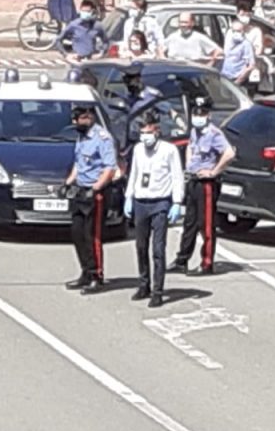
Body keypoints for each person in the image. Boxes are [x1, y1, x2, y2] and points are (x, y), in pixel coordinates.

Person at [170, 96, 235, 276]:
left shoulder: (214, 134)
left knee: (205, 224)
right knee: (189, 223)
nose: (198, 116)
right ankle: (182, 259)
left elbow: (229, 154)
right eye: (196, 113)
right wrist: (188, 165)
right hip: (193, 180)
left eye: (202, 113)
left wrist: (214, 171)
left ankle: (207, 263)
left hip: (206, 184)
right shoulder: (195, 131)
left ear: (208, 114)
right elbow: (191, 147)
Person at [125, 110, 184, 308]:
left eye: (148, 131)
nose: (145, 136)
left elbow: (177, 176)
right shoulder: (138, 150)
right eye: (142, 131)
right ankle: (144, 284)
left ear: (156, 130)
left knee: (158, 249)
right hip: (141, 202)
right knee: (141, 246)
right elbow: (134, 173)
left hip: (160, 202)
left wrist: (176, 202)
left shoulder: (169, 150)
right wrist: (129, 197)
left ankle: (158, 291)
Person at [62, 104, 118, 293]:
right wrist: (68, 182)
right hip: (81, 190)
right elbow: (80, 163)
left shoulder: (102, 138)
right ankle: (85, 272)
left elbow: (109, 168)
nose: (74, 123)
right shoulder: (82, 137)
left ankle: (97, 275)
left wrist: (95, 188)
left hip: (96, 192)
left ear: (87, 118)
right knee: (77, 233)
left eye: (77, 119)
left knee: (92, 235)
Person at [236, 2, 267, 95]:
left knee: (249, 94)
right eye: (242, 14)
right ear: (237, 15)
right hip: (236, 68)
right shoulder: (232, 31)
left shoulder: (256, 31)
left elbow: (259, 49)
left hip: (250, 69)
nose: (245, 17)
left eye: (247, 14)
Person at [220, 18, 256, 94]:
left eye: (239, 31)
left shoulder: (246, 45)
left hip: (238, 80)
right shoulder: (229, 42)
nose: (236, 33)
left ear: (243, 31)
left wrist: (238, 81)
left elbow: (250, 65)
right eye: (234, 31)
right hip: (225, 78)